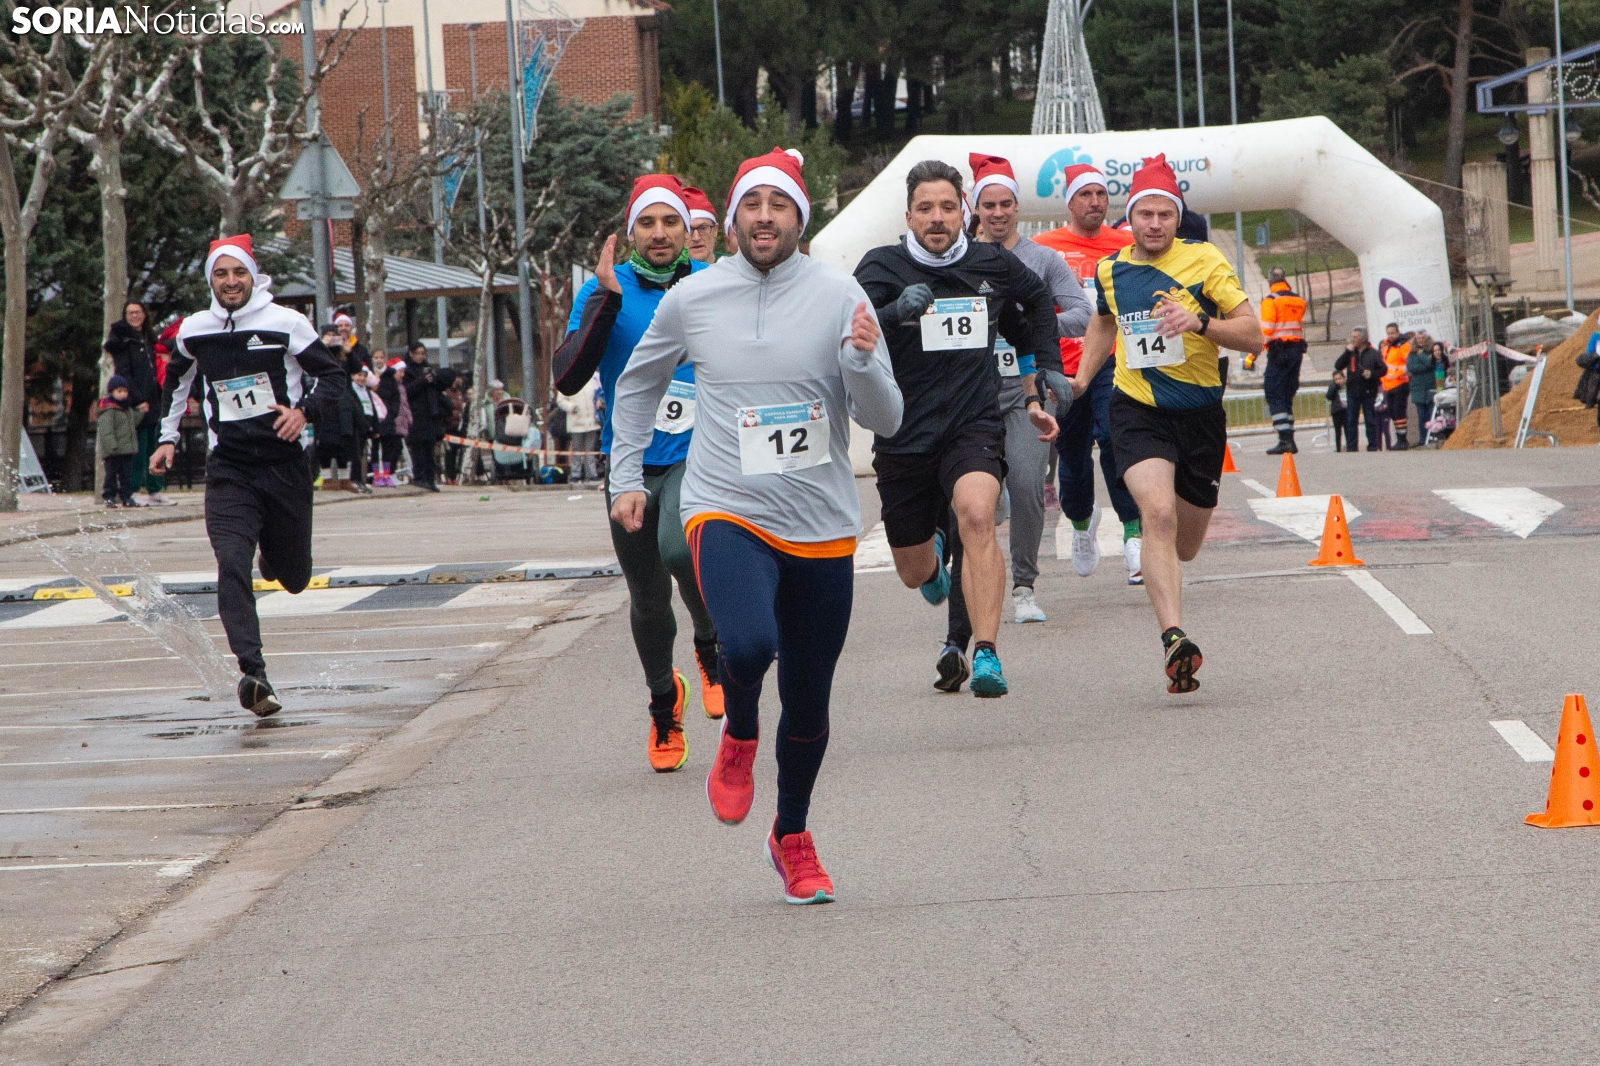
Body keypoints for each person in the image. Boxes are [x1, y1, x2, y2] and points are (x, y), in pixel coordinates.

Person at [608, 146, 903, 904]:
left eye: (778, 206)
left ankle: (791, 835)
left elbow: (886, 418)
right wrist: (626, 476)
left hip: (820, 521)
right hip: (726, 506)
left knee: (808, 701)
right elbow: (637, 386)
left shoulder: (840, 295)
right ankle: (738, 729)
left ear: (799, 217)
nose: (764, 218)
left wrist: (862, 362)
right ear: (732, 218)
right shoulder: (695, 297)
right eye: (752, 205)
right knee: (746, 644)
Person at [854, 159, 1059, 698]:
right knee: (912, 569)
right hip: (903, 432)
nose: (937, 218)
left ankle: (986, 651)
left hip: (972, 424)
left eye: (947, 207)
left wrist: (1045, 365)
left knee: (977, 515)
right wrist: (893, 312)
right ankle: (934, 573)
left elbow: (1039, 299)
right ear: (908, 216)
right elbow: (845, 327)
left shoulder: (989, 262)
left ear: (962, 212)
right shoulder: (882, 265)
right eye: (925, 208)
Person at [1068, 155, 1262, 694]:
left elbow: (1253, 335)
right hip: (1137, 409)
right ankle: (1174, 637)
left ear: (1178, 218)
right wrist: (1082, 381)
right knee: (1156, 513)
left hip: (1200, 414)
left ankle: (1168, 577)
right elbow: (1103, 322)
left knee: (1185, 544)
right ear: (1129, 218)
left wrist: (1199, 322)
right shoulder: (1111, 270)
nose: (1154, 224)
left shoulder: (1205, 261)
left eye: (1164, 215)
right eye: (1144, 214)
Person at [553, 173, 725, 769]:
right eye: (646, 222)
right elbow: (568, 377)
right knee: (648, 598)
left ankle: (709, 644)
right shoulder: (605, 287)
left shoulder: (711, 282)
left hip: (696, 453)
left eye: (670, 221)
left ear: (686, 229)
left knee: (680, 548)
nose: (659, 232)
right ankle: (663, 703)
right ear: (630, 233)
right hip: (629, 462)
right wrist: (604, 303)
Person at [149, 234, 346, 716]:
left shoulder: (285, 322)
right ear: (210, 280)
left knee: (294, 577)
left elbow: (333, 378)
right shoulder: (194, 329)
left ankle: (274, 558)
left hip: (284, 465)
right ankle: (253, 675)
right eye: (221, 273)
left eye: (239, 272)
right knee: (231, 563)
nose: (231, 281)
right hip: (229, 468)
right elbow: (176, 382)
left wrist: (304, 412)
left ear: (253, 276)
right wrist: (167, 438)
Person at [963, 153, 1090, 632]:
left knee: (1026, 483)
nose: (998, 213)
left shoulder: (1043, 259)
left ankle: (1023, 586)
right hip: (970, 393)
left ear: (1017, 207)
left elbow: (1081, 313)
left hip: (1027, 390)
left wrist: (1032, 325)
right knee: (984, 499)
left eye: (1005, 204)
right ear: (975, 208)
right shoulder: (959, 257)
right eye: (988, 205)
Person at [1034, 163, 1145, 585]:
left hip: (1111, 361)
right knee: (1073, 453)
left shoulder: (1126, 245)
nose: (1095, 202)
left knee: (1115, 439)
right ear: (1070, 202)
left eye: (1101, 194)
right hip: (1062, 366)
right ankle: (1082, 522)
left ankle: (1133, 535)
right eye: (1085, 194)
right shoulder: (1045, 247)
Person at [103, 301, 176, 506]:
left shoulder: (149, 337)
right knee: (137, 449)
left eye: (137, 312)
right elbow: (123, 372)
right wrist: (137, 399)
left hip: (155, 399)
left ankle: (155, 489)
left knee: (156, 444)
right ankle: (132, 489)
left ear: (144, 314)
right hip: (137, 403)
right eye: (130, 313)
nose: (134, 316)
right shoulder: (122, 340)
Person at [1258, 266, 1308, 454]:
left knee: (1274, 393)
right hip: (1296, 350)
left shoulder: (1271, 301)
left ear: (1270, 281)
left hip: (1279, 352)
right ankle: (1289, 439)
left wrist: (1251, 356)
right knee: (1287, 394)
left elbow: (1267, 331)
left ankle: (1284, 438)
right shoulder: (1299, 300)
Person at [403, 340, 449, 491]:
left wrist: (435, 379)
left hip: (430, 413)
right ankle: (419, 477)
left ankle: (430, 478)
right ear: (411, 354)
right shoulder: (407, 371)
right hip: (415, 414)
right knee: (418, 448)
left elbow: (439, 387)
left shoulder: (427, 368)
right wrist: (422, 381)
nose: (421, 357)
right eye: (418, 353)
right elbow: (407, 391)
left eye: (423, 353)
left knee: (430, 448)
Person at [1334, 328, 1384, 451]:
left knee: (1370, 420)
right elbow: (1338, 365)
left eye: (1355, 337)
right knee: (1351, 420)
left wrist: (1371, 374)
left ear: (1363, 339)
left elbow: (1383, 369)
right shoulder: (1351, 353)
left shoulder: (1373, 353)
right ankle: (1352, 447)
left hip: (1368, 391)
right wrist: (1347, 352)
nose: (1353, 339)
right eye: (1352, 336)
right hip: (1353, 392)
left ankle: (1372, 446)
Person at [96, 375, 140, 507]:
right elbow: (106, 430)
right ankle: (109, 496)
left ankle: (126, 496)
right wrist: (111, 447)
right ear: (112, 392)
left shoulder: (127, 409)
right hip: (113, 451)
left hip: (126, 449)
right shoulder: (108, 409)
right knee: (111, 475)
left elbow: (133, 423)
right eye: (119, 391)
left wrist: (140, 412)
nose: (123, 394)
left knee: (126, 475)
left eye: (125, 391)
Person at [558, 373, 602, 483]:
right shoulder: (568, 379)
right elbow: (560, 400)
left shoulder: (594, 377)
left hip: (592, 422)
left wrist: (600, 401)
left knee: (590, 450)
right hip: (576, 423)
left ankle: (592, 474)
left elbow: (600, 392)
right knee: (576, 449)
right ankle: (575, 474)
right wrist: (572, 407)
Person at [374, 356, 408, 485]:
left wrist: (392, 413)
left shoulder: (394, 384)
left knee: (388, 450)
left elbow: (397, 402)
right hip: (380, 421)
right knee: (378, 451)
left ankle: (386, 475)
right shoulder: (380, 382)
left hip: (389, 421)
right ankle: (378, 476)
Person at [1378, 321, 1412, 449]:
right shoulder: (1385, 345)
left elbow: (1407, 364)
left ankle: (1403, 440)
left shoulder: (1403, 346)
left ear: (1398, 333)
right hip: (1388, 385)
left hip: (1400, 383)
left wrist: (1397, 374)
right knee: (1393, 412)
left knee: (1399, 412)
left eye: (1393, 333)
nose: (1391, 335)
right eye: (1389, 333)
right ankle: (1399, 439)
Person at [1407, 332, 1439, 445]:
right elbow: (1411, 367)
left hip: (1430, 387)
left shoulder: (1431, 351)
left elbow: (1431, 363)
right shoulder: (1412, 353)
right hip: (1417, 389)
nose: (1421, 340)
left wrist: (1421, 356)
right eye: (1419, 338)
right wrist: (1424, 366)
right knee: (1421, 415)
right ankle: (1422, 439)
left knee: (1431, 414)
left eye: (1423, 338)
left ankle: (1432, 438)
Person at [682, 185, 720, 264]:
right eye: (689, 230)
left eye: (703, 228)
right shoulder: (667, 271)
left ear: (715, 230)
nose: (696, 238)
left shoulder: (733, 267)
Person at [1327, 370, 1350, 451]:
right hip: (1336, 411)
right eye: (1336, 379)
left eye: (1340, 378)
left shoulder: (1347, 386)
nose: (1338, 381)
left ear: (1343, 378)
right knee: (1338, 431)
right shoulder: (1333, 386)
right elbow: (1329, 396)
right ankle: (1338, 448)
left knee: (1348, 429)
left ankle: (1349, 446)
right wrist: (1335, 387)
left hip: (1346, 410)